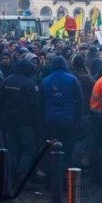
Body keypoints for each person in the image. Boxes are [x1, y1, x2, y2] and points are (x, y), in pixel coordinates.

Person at [0, 57, 42, 195]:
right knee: (28, 149)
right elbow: (35, 106)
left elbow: (1, 100)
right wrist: (37, 124)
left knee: (12, 148)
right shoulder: (29, 83)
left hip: (8, 121)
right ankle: (21, 176)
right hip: (25, 122)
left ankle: (10, 176)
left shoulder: (7, 80)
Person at [40, 56, 84, 190]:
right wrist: (77, 120)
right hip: (68, 120)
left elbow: (40, 103)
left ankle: (50, 181)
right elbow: (80, 101)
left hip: (50, 121)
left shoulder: (45, 81)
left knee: (50, 150)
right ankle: (65, 182)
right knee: (67, 150)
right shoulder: (72, 79)